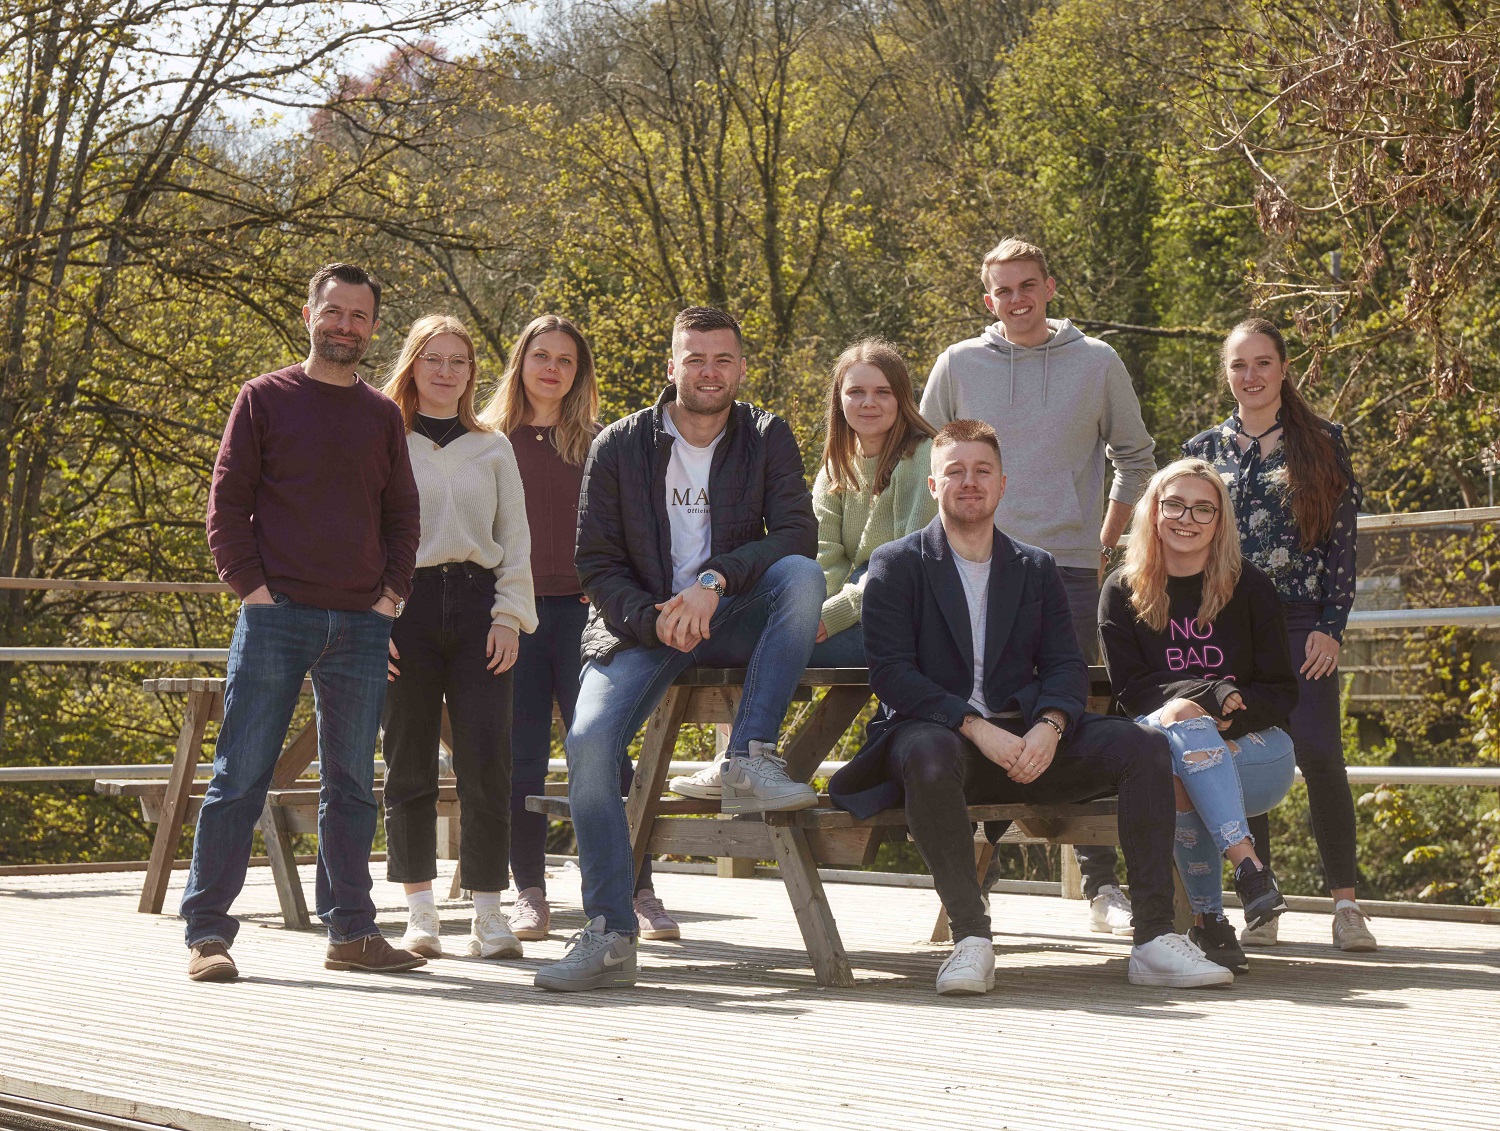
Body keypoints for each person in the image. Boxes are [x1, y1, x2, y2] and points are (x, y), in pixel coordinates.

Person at [831, 420, 1231, 994]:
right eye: (956, 472)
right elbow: (893, 675)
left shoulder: (1034, 566)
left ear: (1002, 484)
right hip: (938, 741)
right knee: (929, 752)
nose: (970, 482)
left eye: (983, 471)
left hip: (1028, 741)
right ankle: (971, 940)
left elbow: (1065, 665)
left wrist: (1051, 724)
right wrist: (975, 727)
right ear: (934, 485)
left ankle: (1153, 939)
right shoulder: (896, 564)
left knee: (1143, 745)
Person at [533, 306, 825, 992]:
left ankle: (749, 755)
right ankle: (610, 933)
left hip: (729, 610)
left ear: (742, 368)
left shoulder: (767, 435)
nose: (709, 372)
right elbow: (595, 563)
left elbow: (795, 533)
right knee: (588, 741)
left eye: (723, 359)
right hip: (639, 626)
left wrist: (713, 582)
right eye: (695, 359)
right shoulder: (619, 444)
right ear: (672, 366)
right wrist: (654, 617)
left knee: (802, 577)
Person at [185, 263, 424, 981]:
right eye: (334, 311)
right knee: (240, 775)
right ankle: (207, 935)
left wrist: (389, 599)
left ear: (372, 327)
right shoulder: (263, 398)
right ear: (308, 314)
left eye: (359, 315)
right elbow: (227, 506)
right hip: (277, 616)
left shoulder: (382, 415)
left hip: (361, 623)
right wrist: (254, 593)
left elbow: (402, 516)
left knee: (352, 785)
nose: (345, 325)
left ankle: (351, 932)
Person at [920, 237, 1157, 936]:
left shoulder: (1097, 361)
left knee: (1068, 710)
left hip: (1068, 567)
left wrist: (1102, 540)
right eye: (1003, 290)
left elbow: (1136, 458)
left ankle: (1102, 882)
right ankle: (973, 883)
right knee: (979, 706)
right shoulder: (958, 363)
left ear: (1050, 287)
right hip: (972, 564)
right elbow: (923, 461)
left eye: (1028, 285)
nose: (1016, 299)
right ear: (986, 297)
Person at [480, 314, 678, 943]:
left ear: (580, 373)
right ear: (521, 362)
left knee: (605, 751)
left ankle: (638, 890)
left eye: (566, 360)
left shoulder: (601, 443)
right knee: (522, 758)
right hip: (513, 616)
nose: (553, 368)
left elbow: (633, 532)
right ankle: (529, 892)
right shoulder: (487, 439)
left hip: (588, 616)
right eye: (542, 355)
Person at [1182, 317, 1376, 952]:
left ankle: (1346, 906)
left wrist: (1331, 625)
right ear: (1226, 373)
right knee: (1244, 759)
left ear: (1284, 368)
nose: (1251, 375)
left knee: (1319, 754)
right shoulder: (1203, 451)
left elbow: (1342, 542)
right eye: (1239, 365)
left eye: (1262, 362)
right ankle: (1259, 904)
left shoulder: (1321, 442)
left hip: (1300, 625)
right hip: (1228, 630)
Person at [1098, 459, 1299, 972]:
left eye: (1203, 509)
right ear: (1154, 511)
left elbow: (1281, 692)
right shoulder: (1122, 590)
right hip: (1160, 742)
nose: (1187, 518)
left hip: (1255, 747)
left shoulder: (1250, 587)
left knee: (1186, 757)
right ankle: (1246, 873)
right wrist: (1204, 699)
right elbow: (1132, 694)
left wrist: (1224, 722)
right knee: (1179, 739)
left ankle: (1210, 919)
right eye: (1175, 505)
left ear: (1219, 520)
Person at [379, 314, 536, 961]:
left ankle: (489, 916)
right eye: (433, 359)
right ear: (412, 365)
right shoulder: (385, 440)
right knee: (408, 762)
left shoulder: (492, 447)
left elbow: (516, 539)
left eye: (458, 361)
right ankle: (420, 915)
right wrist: (373, 617)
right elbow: (363, 533)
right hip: (402, 610)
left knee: (487, 763)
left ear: (473, 373)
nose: (445, 371)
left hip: (479, 611)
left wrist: (509, 616)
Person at [808, 339, 937, 668]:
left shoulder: (928, 458)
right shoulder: (835, 469)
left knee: (783, 649)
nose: (869, 403)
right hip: (860, 605)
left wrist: (837, 613)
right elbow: (825, 558)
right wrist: (814, 614)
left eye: (883, 392)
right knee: (782, 635)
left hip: (916, 613)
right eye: (856, 392)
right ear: (839, 399)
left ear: (901, 398)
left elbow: (911, 564)